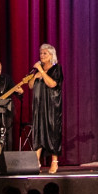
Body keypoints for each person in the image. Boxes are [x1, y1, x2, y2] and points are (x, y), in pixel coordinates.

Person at [29, 44, 63, 174]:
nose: (41, 56)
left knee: (52, 131)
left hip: (52, 106)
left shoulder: (56, 69)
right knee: (38, 131)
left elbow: (53, 84)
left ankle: (54, 162)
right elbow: (31, 86)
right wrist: (34, 76)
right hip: (39, 106)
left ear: (51, 55)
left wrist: (42, 72)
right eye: (41, 53)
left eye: (45, 54)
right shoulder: (37, 70)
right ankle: (36, 161)